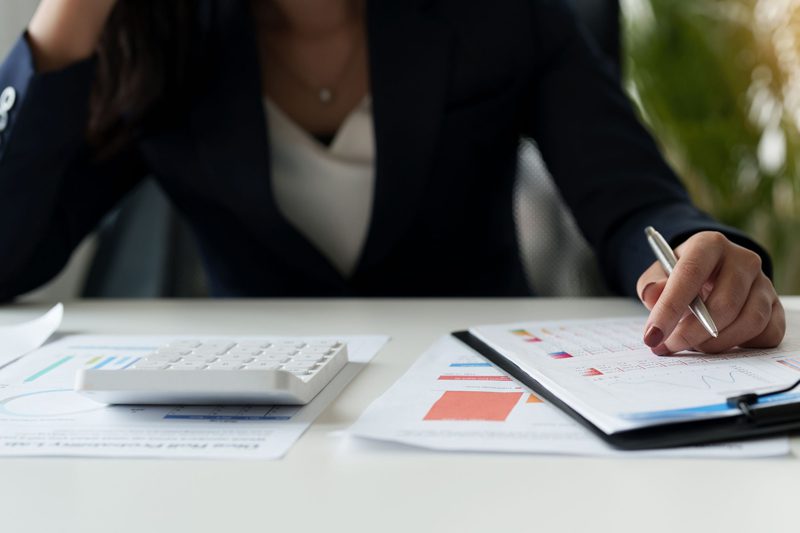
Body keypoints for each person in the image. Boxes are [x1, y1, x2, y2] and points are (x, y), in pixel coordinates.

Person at [0, 0, 785, 356]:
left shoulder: (499, 14)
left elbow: (634, 201)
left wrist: (690, 257)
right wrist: (67, 18)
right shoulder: (158, 34)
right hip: (258, 430)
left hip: (482, 401)